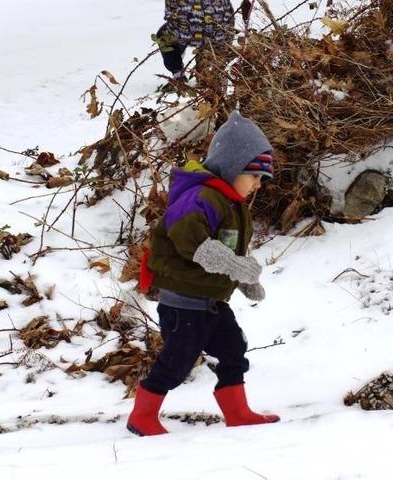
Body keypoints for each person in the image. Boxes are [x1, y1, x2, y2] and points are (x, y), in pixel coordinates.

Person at [127, 111, 279, 436]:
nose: (257, 185)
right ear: (233, 165)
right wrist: (237, 268)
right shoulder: (201, 197)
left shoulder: (233, 206)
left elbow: (231, 251)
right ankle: (142, 415)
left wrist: (244, 279)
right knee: (178, 362)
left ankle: (237, 411)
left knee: (233, 350)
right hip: (183, 303)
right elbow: (192, 243)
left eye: (261, 180)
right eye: (253, 176)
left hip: (211, 301)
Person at [154, 0, 253, 79]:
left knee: (164, 36)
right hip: (219, 28)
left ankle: (177, 72)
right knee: (221, 36)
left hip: (186, 29)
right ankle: (215, 68)